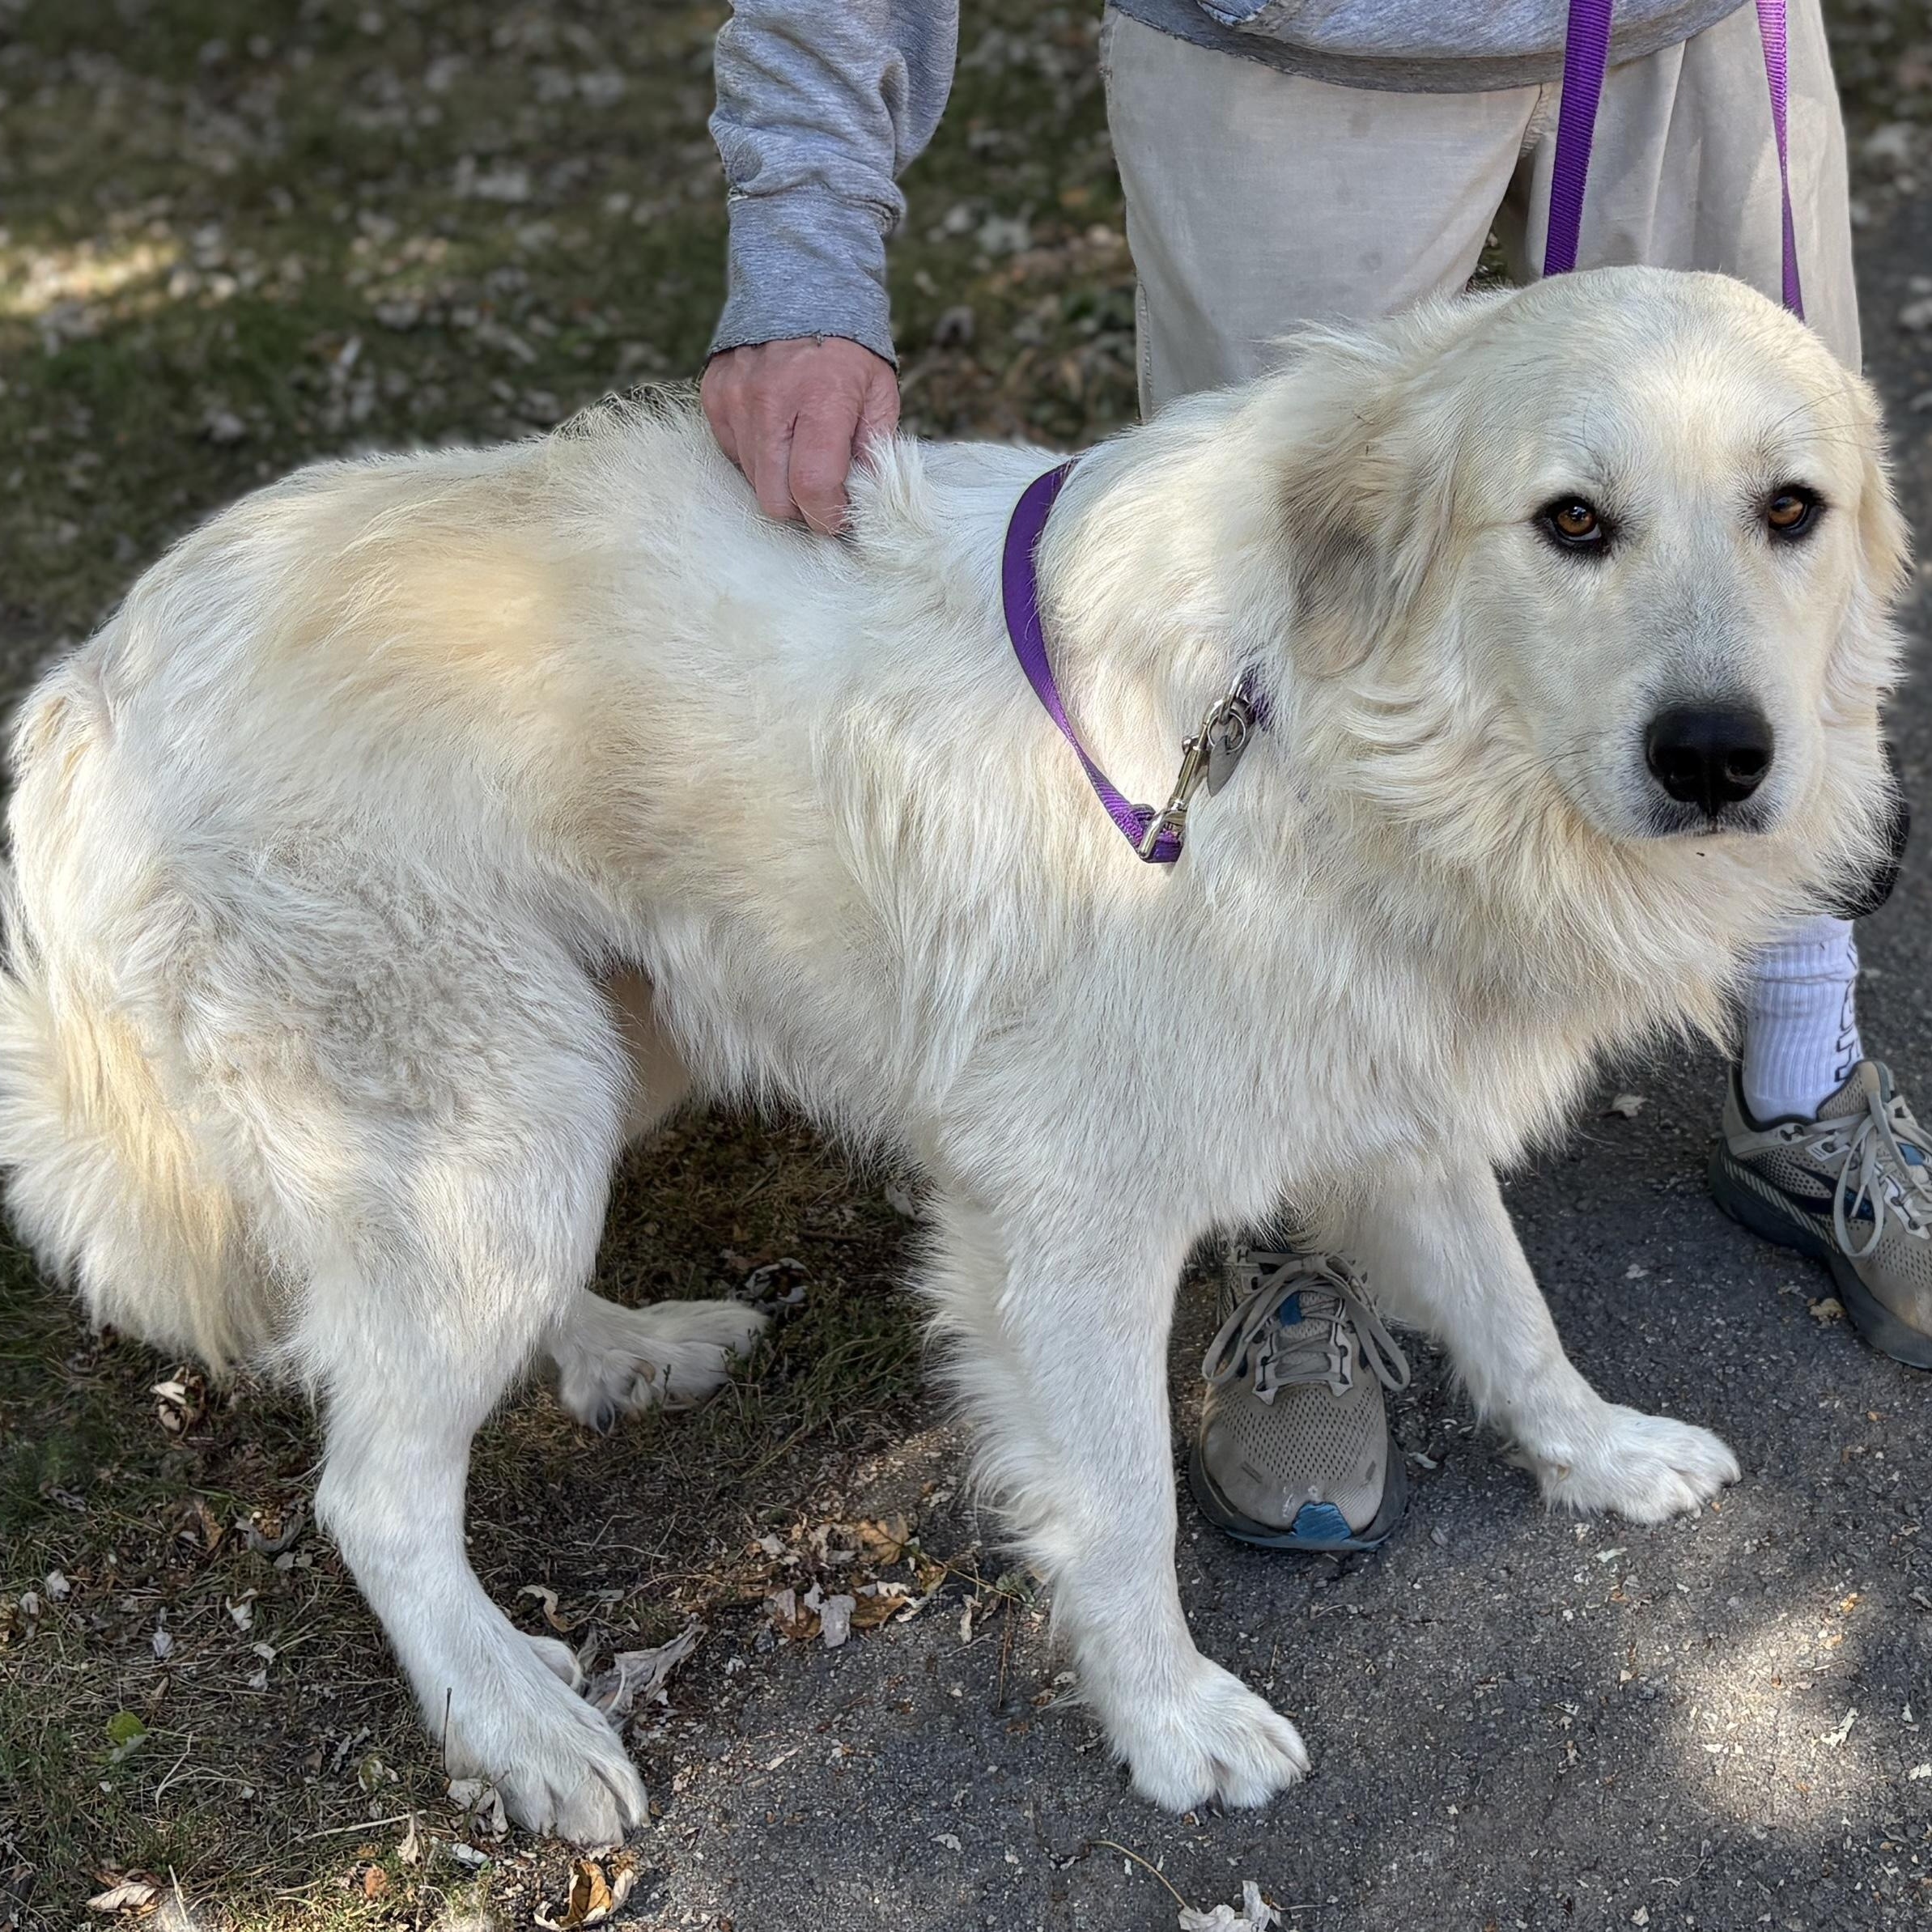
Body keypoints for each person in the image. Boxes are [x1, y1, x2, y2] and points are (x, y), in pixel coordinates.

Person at [699, 0, 1928, 1555]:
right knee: (1288, 657)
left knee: (1767, 564)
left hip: (1692, 24)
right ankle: (1285, 1222)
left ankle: (1806, 1069)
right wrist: (806, 223)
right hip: (1288, 46)